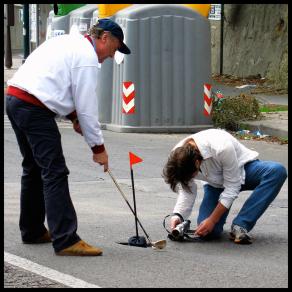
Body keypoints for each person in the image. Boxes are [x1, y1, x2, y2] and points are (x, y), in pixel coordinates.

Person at [5, 18, 131, 256]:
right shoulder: (87, 59)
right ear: (105, 38)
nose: (111, 56)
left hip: (15, 99)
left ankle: (32, 230)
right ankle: (65, 239)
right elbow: (87, 108)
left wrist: (73, 117)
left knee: (32, 167)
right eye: (114, 49)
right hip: (34, 107)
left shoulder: (69, 42)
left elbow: (60, 85)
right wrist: (98, 148)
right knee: (55, 171)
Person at [162, 128, 287, 244]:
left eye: (192, 174)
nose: (192, 177)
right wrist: (178, 215)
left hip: (243, 171)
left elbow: (232, 187)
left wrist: (212, 219)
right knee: (209, 232)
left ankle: (241, 224)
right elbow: (187, 189)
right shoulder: (178, 157)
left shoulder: (221, 146)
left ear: (196, 163)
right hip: (215, 184)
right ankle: (215, 224)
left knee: (277, 171)